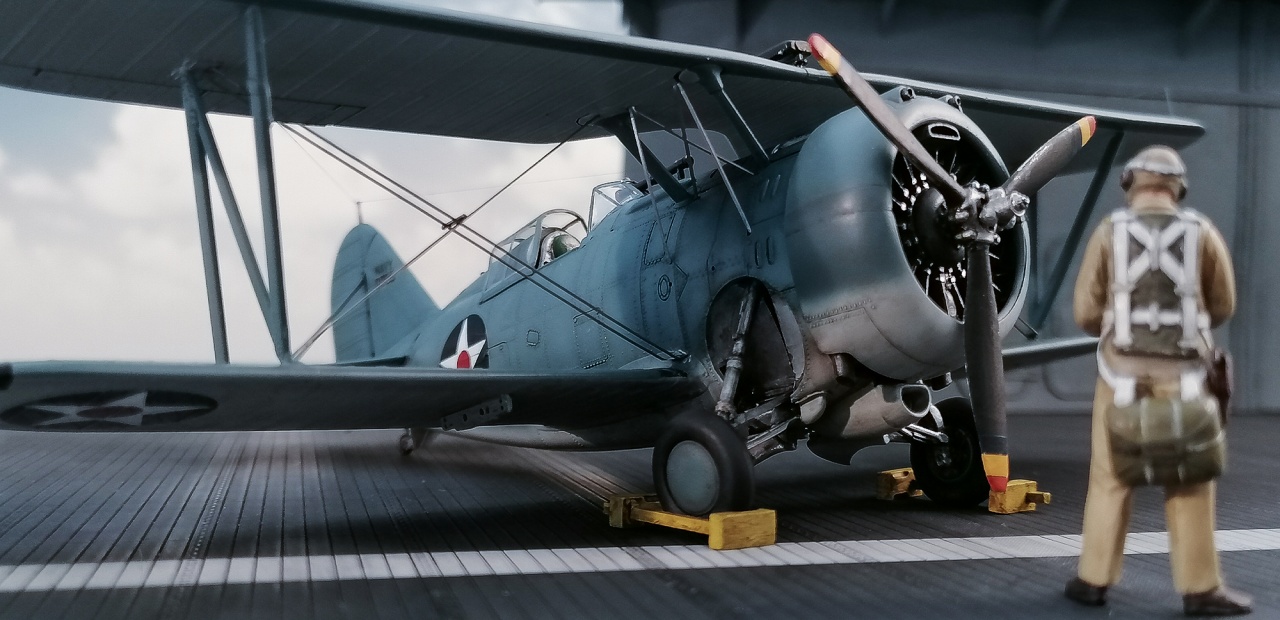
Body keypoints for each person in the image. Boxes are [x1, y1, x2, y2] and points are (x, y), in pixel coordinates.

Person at [1066, 145, 1251, 616]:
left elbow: (1085, 312)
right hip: (1187, 376)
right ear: (1177, 187)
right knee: (1190, 474)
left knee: (1110, 475)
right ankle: (1200, 588)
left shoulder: (1108, 232)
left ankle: (1093, 579)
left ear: (1131, 184)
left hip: (1119, 375)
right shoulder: (1201, 232)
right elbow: (1223, 304)